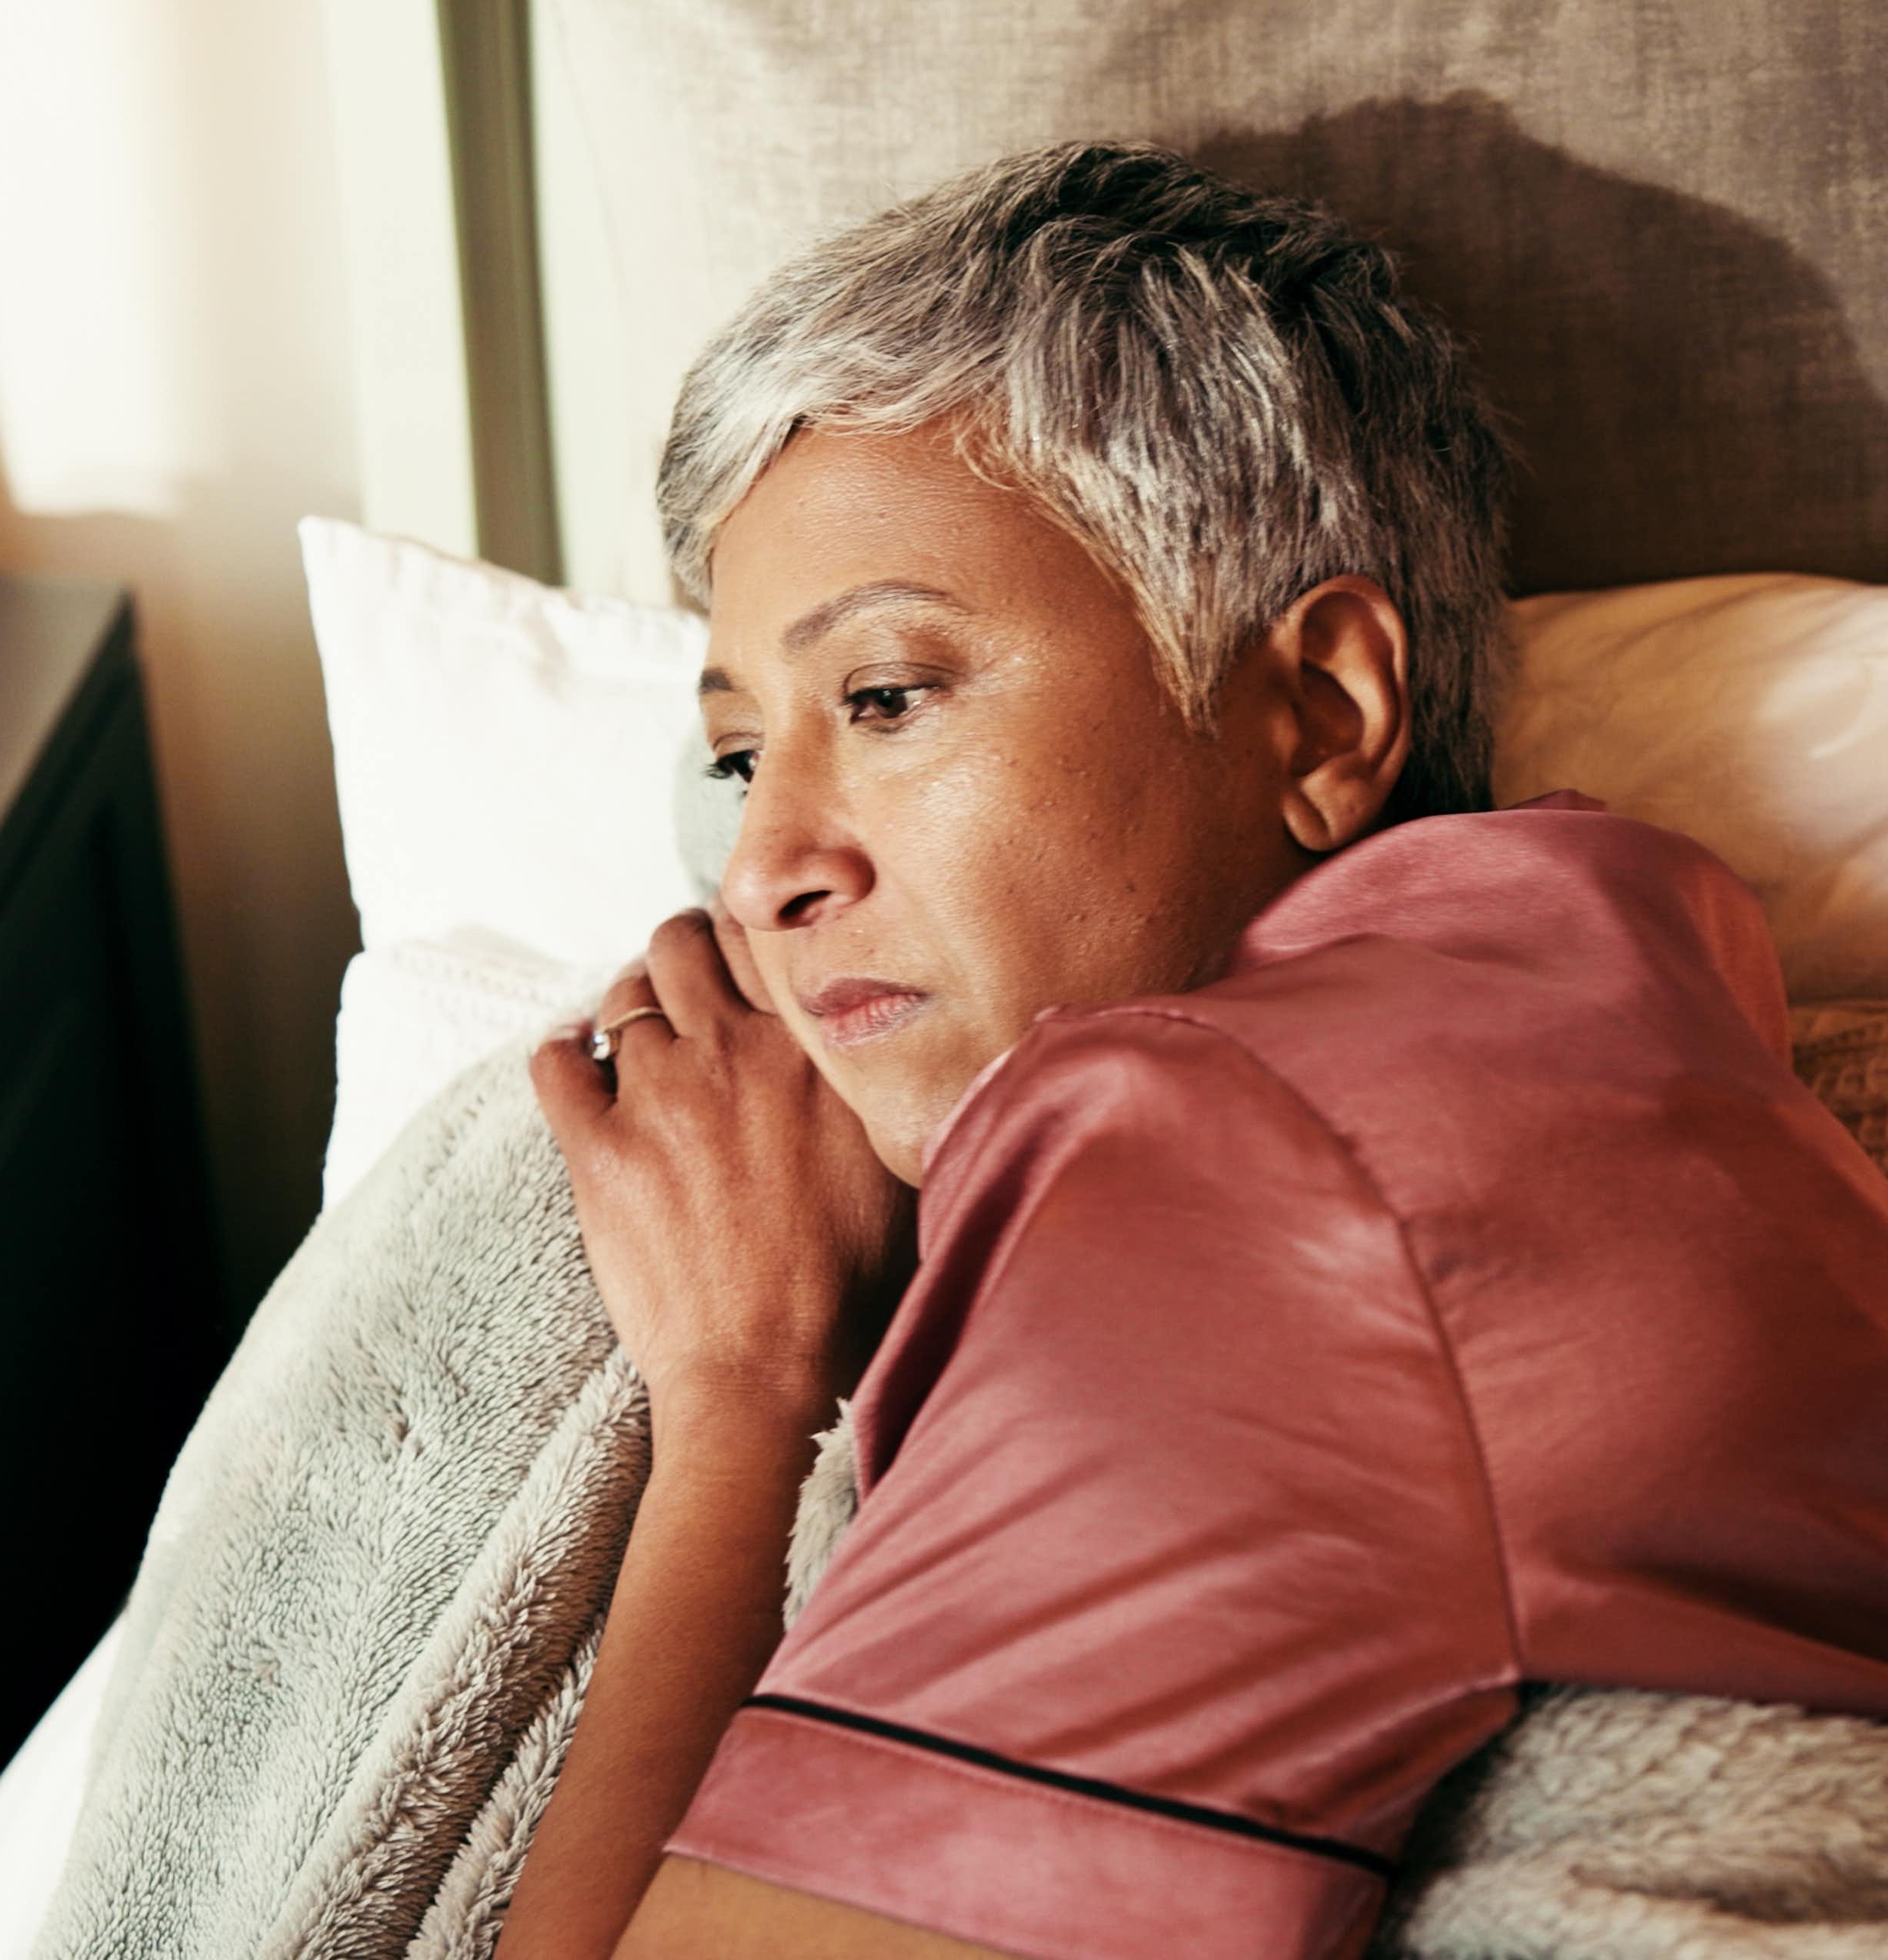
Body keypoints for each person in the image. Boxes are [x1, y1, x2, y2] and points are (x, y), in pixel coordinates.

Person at [496, 142, 1888, 1960]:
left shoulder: (1251, 1176)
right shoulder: (1594, 1006)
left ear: (1316, 711)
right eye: (744, 755)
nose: (763, 869)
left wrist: (735, 1391)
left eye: (888, 695)